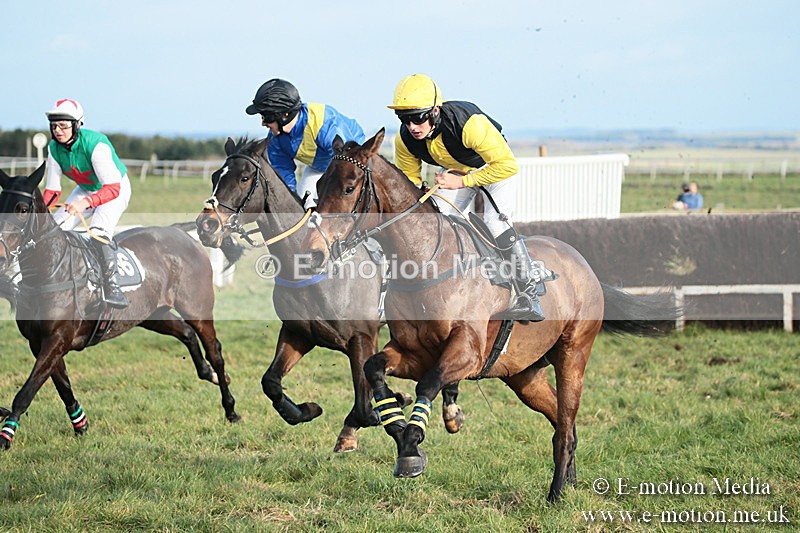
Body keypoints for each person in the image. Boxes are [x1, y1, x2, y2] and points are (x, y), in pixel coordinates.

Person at [388, 74, 545, 322]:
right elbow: (411, 182)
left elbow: (507, 166)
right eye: (404, 120)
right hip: (456, 174)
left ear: (436, 110)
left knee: (495, 223)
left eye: (418, 118)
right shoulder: (404, 139)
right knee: (431, 223)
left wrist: (462, 181)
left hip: (493, 169)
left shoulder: (468, 124)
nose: (412, 127)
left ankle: (528, 293)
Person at [44, 98, 131, 308]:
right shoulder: (54, 148)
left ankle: (113, 287)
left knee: (97, 233)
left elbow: (111, 188)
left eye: (63, 125)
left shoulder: (96, 145)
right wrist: (37, 212)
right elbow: (53, 190)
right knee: (54, 230)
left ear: (77, 125)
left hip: (114, 189)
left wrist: (84, 204)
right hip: (86, 188)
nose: (58, 130)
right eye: (54, 125)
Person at [245, 78, 365, 209]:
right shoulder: (275, 140)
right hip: (319, 165)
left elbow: (344, 165)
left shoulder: (324, 126)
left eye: (266, 117)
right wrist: (289, 197)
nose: (263, 123)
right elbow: (283, 171)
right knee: (302, 205)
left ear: (284, 115)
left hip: (352, 159)